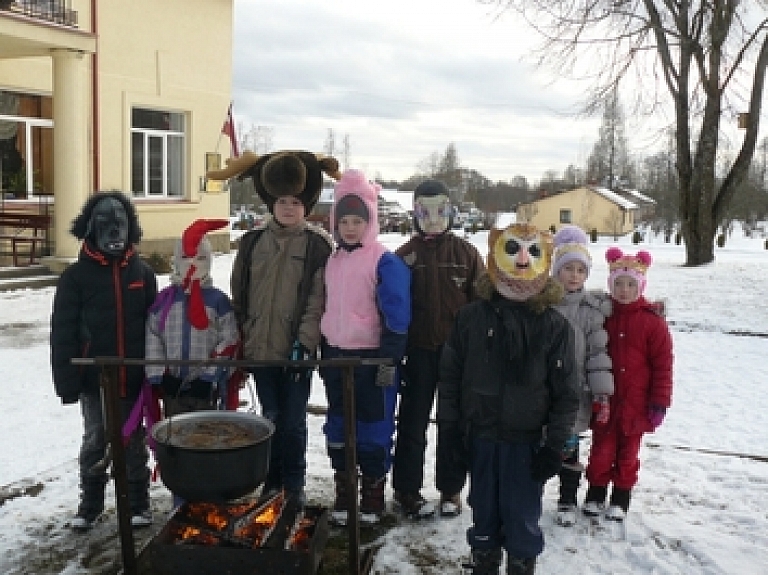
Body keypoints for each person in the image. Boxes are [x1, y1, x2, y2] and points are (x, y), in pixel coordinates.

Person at [438, 223, 578, 575]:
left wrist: (554, 447)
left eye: (532, 251)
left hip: (527, 445)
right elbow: (451, 379)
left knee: (521, 519)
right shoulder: (470, 317)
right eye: (512, 249)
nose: (520, 258)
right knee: (483, 513)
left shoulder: (554, 326)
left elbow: (566, 394)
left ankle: (521, 565)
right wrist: (451, 435)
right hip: (480, 439)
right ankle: (483, 564)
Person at [209, 150, 340, 504]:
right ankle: (272, 481)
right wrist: (241, 338)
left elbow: (318, 300)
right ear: (271, 202)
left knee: (294, 421)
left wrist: (305, 342)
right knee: (269, 418)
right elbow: (240, 294)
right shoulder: (252, 243)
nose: (288, 208)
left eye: (296, 202)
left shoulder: (317, 246)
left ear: (307, 205)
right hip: (260, 349)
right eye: (282, 201)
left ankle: (294, 484)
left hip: (295, 352)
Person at [50, 191, 157, 531]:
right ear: (91, 229)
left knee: (132, 441)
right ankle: (91, 504)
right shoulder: (75, 278)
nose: (114, 232)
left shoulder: (143, 273)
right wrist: (66, 382)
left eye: (120, 224)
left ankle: (138, 502)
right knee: (96, 438)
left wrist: (155, 372)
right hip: (93, 380)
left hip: (133, 378)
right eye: (105, 224)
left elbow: (155, 326)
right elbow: (62, 332)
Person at [319, 169, 411, 525]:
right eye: (345, 221)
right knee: (339, 426)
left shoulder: (384, 261)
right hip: (337, 356)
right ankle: (345, 493)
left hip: (372, 360)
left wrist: (389, 357)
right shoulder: (333, 260)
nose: (351, 228)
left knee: (373, 428)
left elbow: (397, 313)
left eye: (358, 220)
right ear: (335, 222)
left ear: (370, 221)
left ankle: (372, 496)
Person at [392, 179, 485, 519]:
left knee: (453, 424)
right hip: (417, 353)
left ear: (450, 211)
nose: (432, 218)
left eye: (439, 210)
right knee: (413, 423)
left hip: (456, 357)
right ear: (415, 213)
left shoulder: (466, 255)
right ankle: (406, 489)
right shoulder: (403, 257)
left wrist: (477, 350)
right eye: (424, 211)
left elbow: (482, 304)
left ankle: (450, 489)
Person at [583, 247, 673, 522]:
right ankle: (596, 493)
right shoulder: (603, 317)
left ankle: (621, 497)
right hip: (606, 403)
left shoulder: (652, 323)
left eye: (630, 284)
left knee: (627, 454)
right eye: (618, 284)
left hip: (637, 403)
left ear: (640, 286)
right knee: (601, 451)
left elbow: (663, 367)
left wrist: (659, 403)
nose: (624, 290)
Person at [549, 225, 614, 527]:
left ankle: (566, 499)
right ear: (555, 270)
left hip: (575, 393)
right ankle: (530, 490)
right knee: (538, 444)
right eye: (567, 269)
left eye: (580, 270)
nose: (574, 276)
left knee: (569, 447)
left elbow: (597, 354)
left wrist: (600, 392)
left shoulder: (591, 311)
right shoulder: (543, 305)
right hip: (543, 390)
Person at [144, 218, 241, 417]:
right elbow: (153, 337)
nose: (193, 264)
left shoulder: (218, 301)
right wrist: (161, 375)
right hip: (173, 386)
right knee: (175, 434)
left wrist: (209, 376)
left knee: (205, 434)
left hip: (207, 389)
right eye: (186, 258)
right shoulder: (164, 301)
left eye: (200, 258)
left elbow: (230, 338)